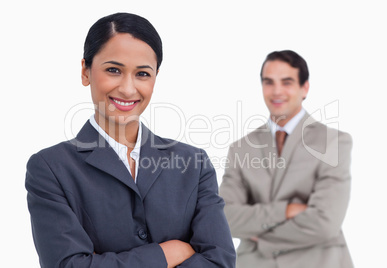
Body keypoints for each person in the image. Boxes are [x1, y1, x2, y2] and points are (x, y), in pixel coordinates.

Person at [25, 12, 236, 268]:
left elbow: (220, 261)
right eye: (113, 70)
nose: (127, 88)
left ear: (156, 77)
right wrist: (167, 254)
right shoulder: (50, 168)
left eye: (143, 74)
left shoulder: (193, 163)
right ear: (85, 71)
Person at [219, 50, 353, 267]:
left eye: (287, 82)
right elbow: (224, 217)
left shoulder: (333, 142)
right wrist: (287, 210)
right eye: (269, 82)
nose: (277, 91)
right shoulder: (241, 148)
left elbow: (325, 222)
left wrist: (262, 238)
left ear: (304, 88)